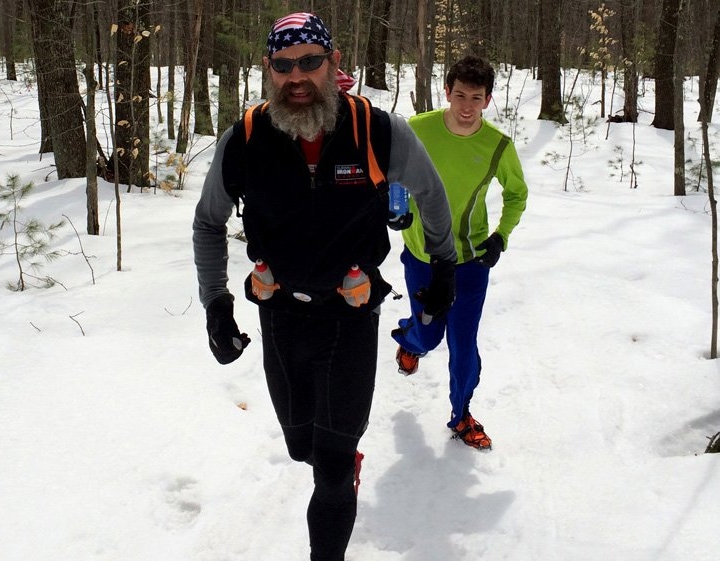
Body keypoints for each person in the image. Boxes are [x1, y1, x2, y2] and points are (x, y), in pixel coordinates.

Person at [192, 12, 457, 561]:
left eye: (310, 61)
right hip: (280, 313)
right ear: (268, 69)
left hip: (349, 314)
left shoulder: (377, 130)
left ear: (334, 63)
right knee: (301, 446)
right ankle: (334, 458)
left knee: (332, 470)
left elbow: (431, 194)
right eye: (283, 64)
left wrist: (444, 267)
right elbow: (208, 222)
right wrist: (216, 303)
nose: (297, 76)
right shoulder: (246, 138)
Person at [392, 55, 529, 451]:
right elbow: (393, 173)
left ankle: (462, 414)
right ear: (447, 92)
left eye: (476, 98)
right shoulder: (417, 130)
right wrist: (397, 209)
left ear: (488, 100)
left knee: (464, 343)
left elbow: (517, 194)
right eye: (460, 96)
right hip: (422, 255)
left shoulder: (497, 146)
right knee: (429, 335)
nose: (467, 107)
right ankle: (411, 341)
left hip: (470, 259)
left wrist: (501, 237)